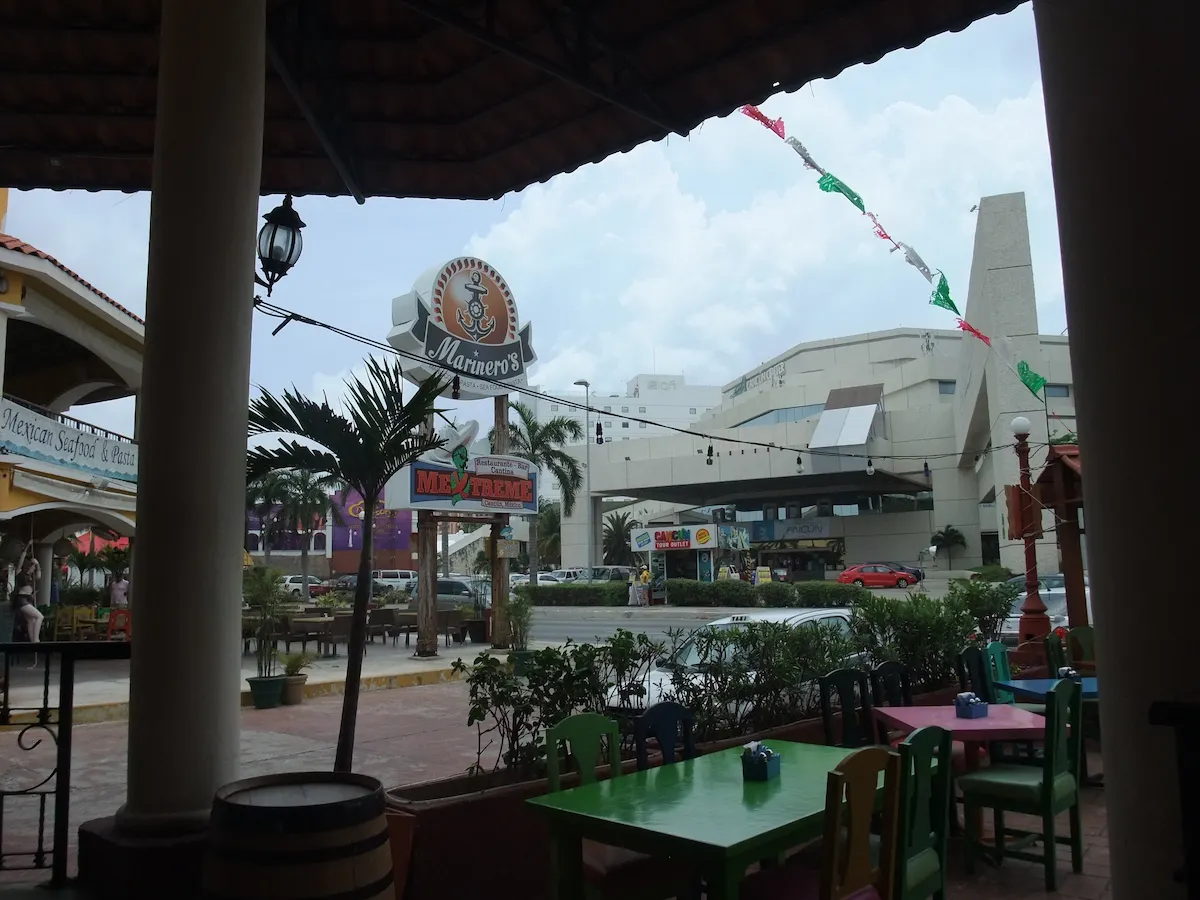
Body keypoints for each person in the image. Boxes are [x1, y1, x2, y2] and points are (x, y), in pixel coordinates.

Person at [12, 545, 44, 663]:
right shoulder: (19, 573)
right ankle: (36, 640)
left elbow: (39, 575)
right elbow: (21, 561)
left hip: (28, 599)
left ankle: (33, 643)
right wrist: (27, 547)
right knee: (39, 616)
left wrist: (38, 564)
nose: (32, 568)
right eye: (31, 566)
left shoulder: (31, 578)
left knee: (31, 621)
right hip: (21, 599)